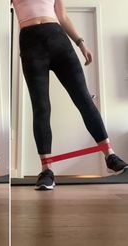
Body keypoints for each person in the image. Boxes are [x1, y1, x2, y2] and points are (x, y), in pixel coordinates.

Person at [12, 0, 128, 190]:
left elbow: (62, 16)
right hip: (30, 44)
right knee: (41, 106)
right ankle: (47, 170)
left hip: (58, 40)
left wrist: (81, 43)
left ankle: (110, 155)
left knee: (84, 99)